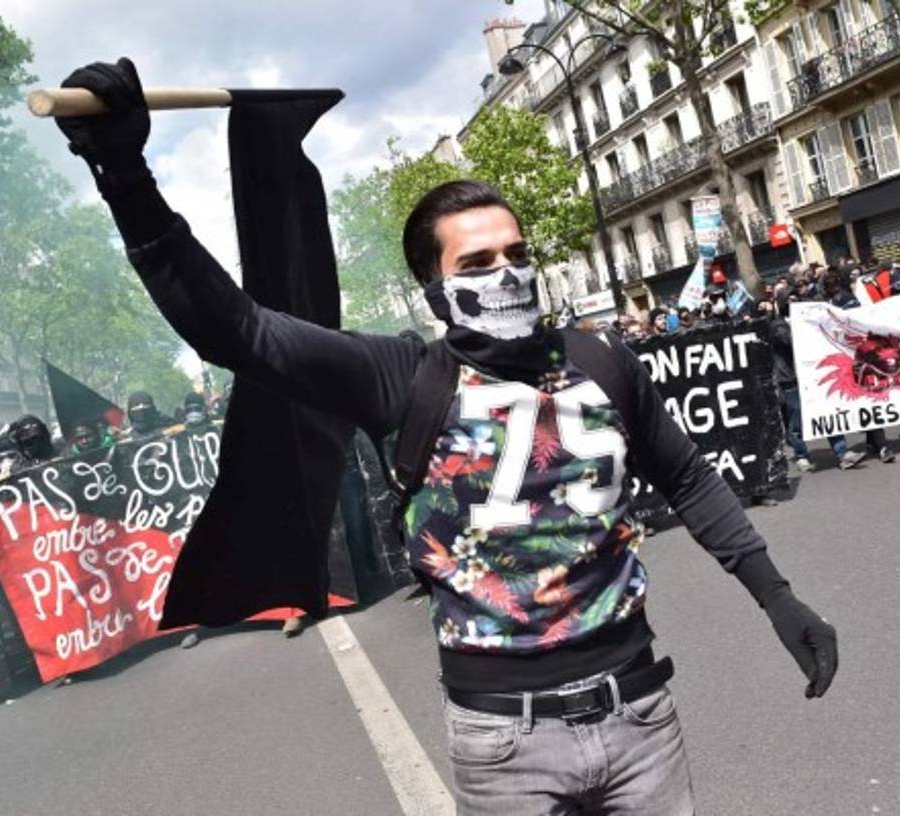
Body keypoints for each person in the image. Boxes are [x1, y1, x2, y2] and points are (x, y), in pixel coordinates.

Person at [54, 58, 838, 813]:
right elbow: (237, 329)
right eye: (481, 261)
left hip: (640, 717)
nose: (508, 274)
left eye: (519, 254)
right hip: (503, 744)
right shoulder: (401, 378)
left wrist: (778, 599)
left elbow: (691, 480)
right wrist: (127, 181)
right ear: (437, 290)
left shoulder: (602, 360)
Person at [819, 267, 895, 467]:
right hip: (853, 357)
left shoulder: (836, 301)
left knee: (866, 399)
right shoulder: (833, 302)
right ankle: (878, 444)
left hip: (853, 357)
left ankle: (879, 444)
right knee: (867, 399)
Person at [770, 291, 813, 473]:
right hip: (789, 377)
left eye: (796, 299)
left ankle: (841, 451)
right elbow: (788, 341)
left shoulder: (806, 319)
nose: (793, 303)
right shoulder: (778, 324)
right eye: (789, 300)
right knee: (795, 417)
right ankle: (801, 454)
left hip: (809, 374)